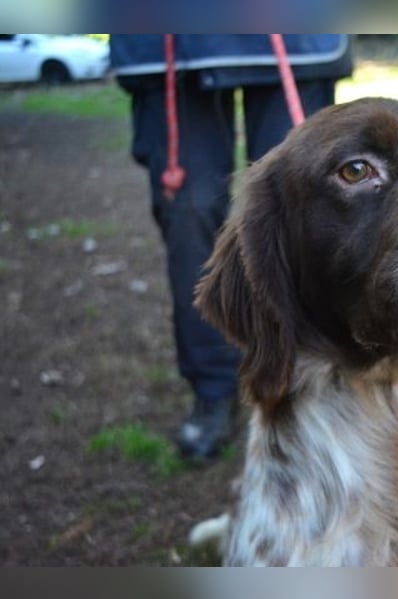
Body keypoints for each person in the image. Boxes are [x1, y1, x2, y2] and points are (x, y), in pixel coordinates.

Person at [110, 34, 353, 462]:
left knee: (307, 206)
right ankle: (213, 389)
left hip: (295, 34)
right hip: (169, 37)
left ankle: (308, 381)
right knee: (190, 209)